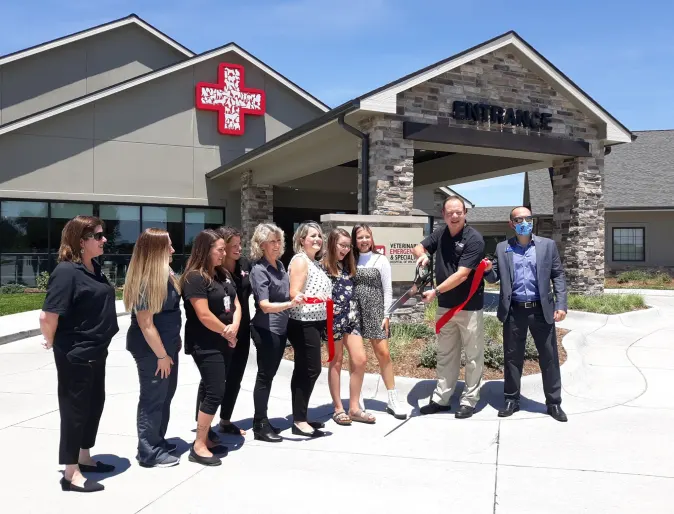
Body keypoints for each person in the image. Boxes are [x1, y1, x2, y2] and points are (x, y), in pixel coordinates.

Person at [39, 215, 119, 493]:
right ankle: (70, 474)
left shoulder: (93, 267)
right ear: (81, 241)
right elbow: (48, 316)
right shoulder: (66, 272)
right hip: (76, 353)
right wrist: (51, 342)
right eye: (98, 236)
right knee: (75, 411)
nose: (104, 239)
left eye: (102, 235)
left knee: (94, 404)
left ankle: (84, 456)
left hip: (98, 350)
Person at [483, 206, 568, 422]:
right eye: (518, 219)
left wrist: (561, 304)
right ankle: (512, 400)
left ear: (533, 221)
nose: (523, 222)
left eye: (527, 218)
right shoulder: (502, 248)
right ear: (511, 224)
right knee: (512, 357)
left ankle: (553, 403)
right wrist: (486, 270)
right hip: (514, 311)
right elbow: (493, 279)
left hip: (542, 310)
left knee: (549, 358)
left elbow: (557, 275)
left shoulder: (547, 246)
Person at [413, 196, 486, 419]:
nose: (454, 216)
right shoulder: (441, 233)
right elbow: (418, 246)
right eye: (450, 213)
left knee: (473, 356)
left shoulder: (474, 239)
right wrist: (423, 255)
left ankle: (469, 400)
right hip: (446, 307)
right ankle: (441, 398)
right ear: (443, 215)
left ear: (465, 213)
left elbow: (462, 275)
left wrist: (435, 291)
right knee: (446, 354)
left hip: (469, 306)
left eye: (458, 212)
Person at [180, 230, 241, 466]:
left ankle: (206, 438)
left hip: (225, 341)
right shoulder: (194, 278)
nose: (224, 253)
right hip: (205, 344)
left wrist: (234, 326)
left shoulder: (222, 273)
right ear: (205, 250)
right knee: (216, 391)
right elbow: (203, 314)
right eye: (220, 249)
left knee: (209, 388)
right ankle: (198, 445)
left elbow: (235, 302)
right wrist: (227, 332)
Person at [124, 228, 182, 468]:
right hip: (153, 351)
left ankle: (157, 440)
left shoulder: (165, 273)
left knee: (165, 394)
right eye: (168, 245)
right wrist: (161, 355)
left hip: (166, 347)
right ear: (156, 249)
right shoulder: (147, 279)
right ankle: (149, 452)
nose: (173, 249)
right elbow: (146, 324)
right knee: (153, 397)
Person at [249, 223, 304, 442]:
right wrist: (290, 304)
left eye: (278, 240)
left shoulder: (280, 266)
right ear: (261, 244)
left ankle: (263, 420)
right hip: (266, 329)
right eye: (271, 241)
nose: (276, 245)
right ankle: (259, 425)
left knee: (269, 376)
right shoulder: (259, 269)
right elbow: (264, 305)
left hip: (280, 329)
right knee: (264, 376)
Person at [195, 226, 252, 437]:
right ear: (222, 247)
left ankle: (225, 420)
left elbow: (242, 299)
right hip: (218, 334)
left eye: (240, 244)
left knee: (235, 377)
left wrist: (236, 327)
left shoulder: (244, 266)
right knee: (212, 382)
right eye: (233, 245)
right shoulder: (210, 273)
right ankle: (204, 428)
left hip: (241, 330)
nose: (239, 249)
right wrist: (227, 331)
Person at [352, 223, 408, 420]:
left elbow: (387, 289)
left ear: (372, 238)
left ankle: (392, 399)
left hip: (376, 311)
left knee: (383, 353)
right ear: (355, 240)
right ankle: (355, 399)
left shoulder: (381, 259)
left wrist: (387, 315)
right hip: (354, 312)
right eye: (360, 237)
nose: (364, 240)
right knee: (357, 359)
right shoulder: (350, 259)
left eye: (367, 236)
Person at [321, 229, 375, 426]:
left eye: (347, 246)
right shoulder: (323, 267)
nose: (345, 249)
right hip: (332, 320)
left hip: (352, 319)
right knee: (336, 362)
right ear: (332, 244)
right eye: (341, 245)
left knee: (360, 360)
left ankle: (354, 408)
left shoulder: (348, 266)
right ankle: (338, 408)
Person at [287, 221, 333, 437]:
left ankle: (301, 416)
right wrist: (316, 299)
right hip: (303, 322)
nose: (317, 239)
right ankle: (299, 420)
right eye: (312, 236)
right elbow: (294, 293)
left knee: (306, 369)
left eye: (319, 236)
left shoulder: (315, 262)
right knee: (310, 370)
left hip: (316, 321)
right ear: (301, 240)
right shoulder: (300, 261)